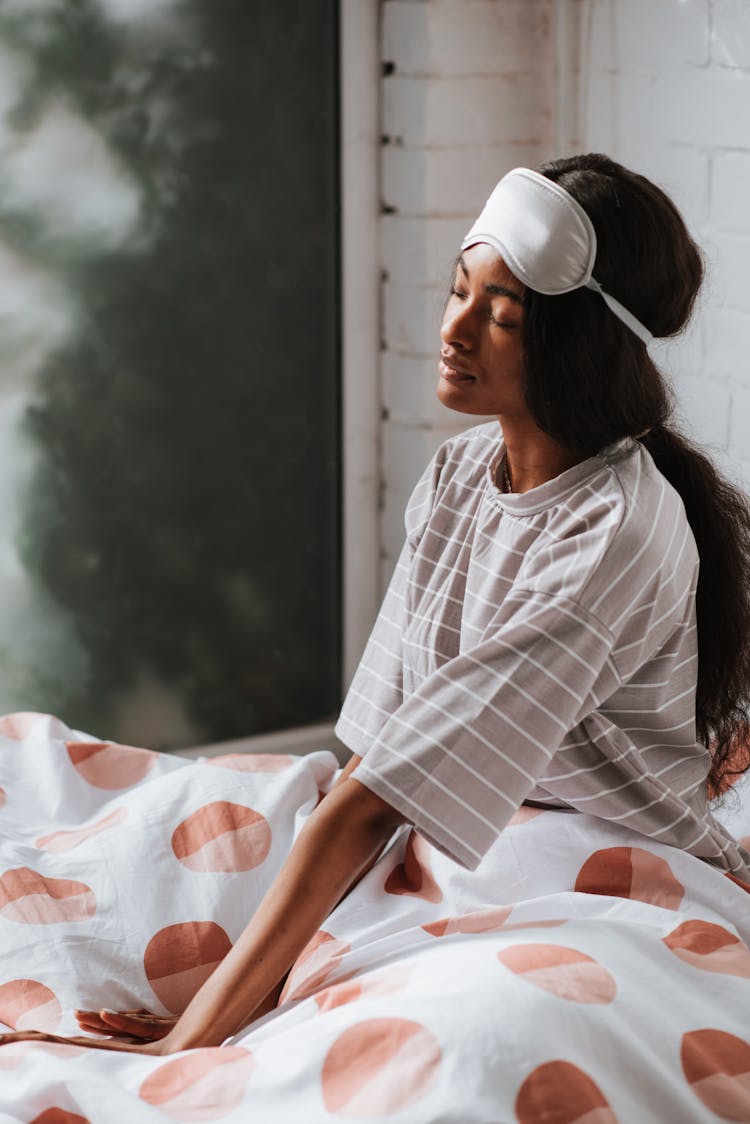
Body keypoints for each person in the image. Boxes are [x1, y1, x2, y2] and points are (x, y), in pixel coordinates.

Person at [2, 152, 750, 1056]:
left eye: (501, 314)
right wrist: (242, 989)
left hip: (592, 871)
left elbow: (375, 800)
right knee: (164, 829)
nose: (456, 327)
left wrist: (188, 1043)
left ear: (579, 347)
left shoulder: (613, 532)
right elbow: (372, 770)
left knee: (478, 1032)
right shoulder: (458, 476)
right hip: (443, 835)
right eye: (458, 290)